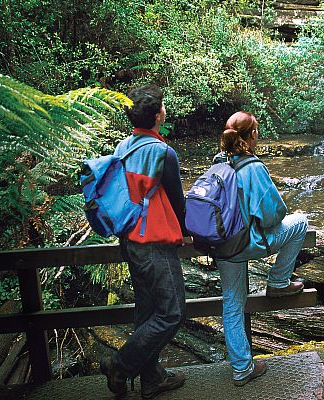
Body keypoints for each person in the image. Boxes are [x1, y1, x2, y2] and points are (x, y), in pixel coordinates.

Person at [99, 84, 188, 399]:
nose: (165, 110)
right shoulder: (164, 153)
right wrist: (191, 232)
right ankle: (119, 364)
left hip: (130, 240)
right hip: (153, 241)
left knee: (148, 312)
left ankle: (151, 380)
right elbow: (178, 203)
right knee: (173, 312)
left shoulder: (123, 147)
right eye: (163, 106)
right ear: (157, 115)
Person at [214, 111, 308, 386]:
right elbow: (274, 215)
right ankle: (278, 281)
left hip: (223, 244)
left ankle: (242, 368)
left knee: (232, 303)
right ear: (252, 135)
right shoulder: (253, 167)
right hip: (247, 243)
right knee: (300, 222)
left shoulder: (219, 162)